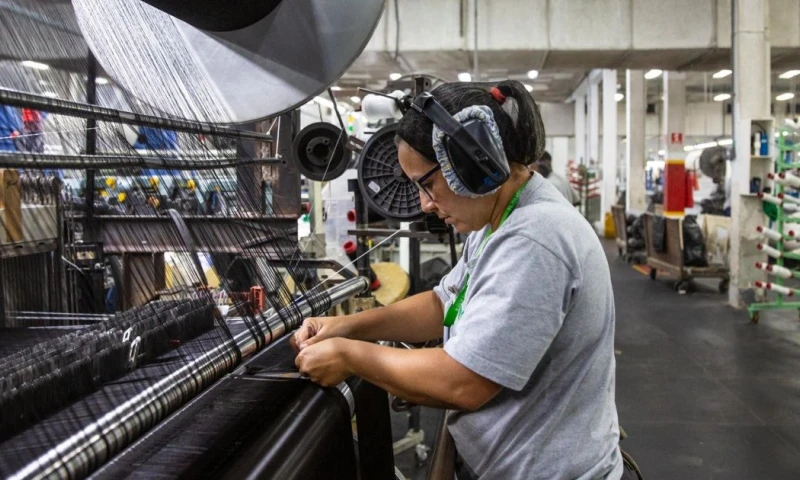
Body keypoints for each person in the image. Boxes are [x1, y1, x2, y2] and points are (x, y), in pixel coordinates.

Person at [292, 80, 626, 479]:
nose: (424, 205)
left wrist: (350, 355)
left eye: (427, 184)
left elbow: (464, 382)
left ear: (474, 162)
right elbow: (442, 302)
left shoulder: (535, 238)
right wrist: (347, 327)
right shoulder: (497, 221)